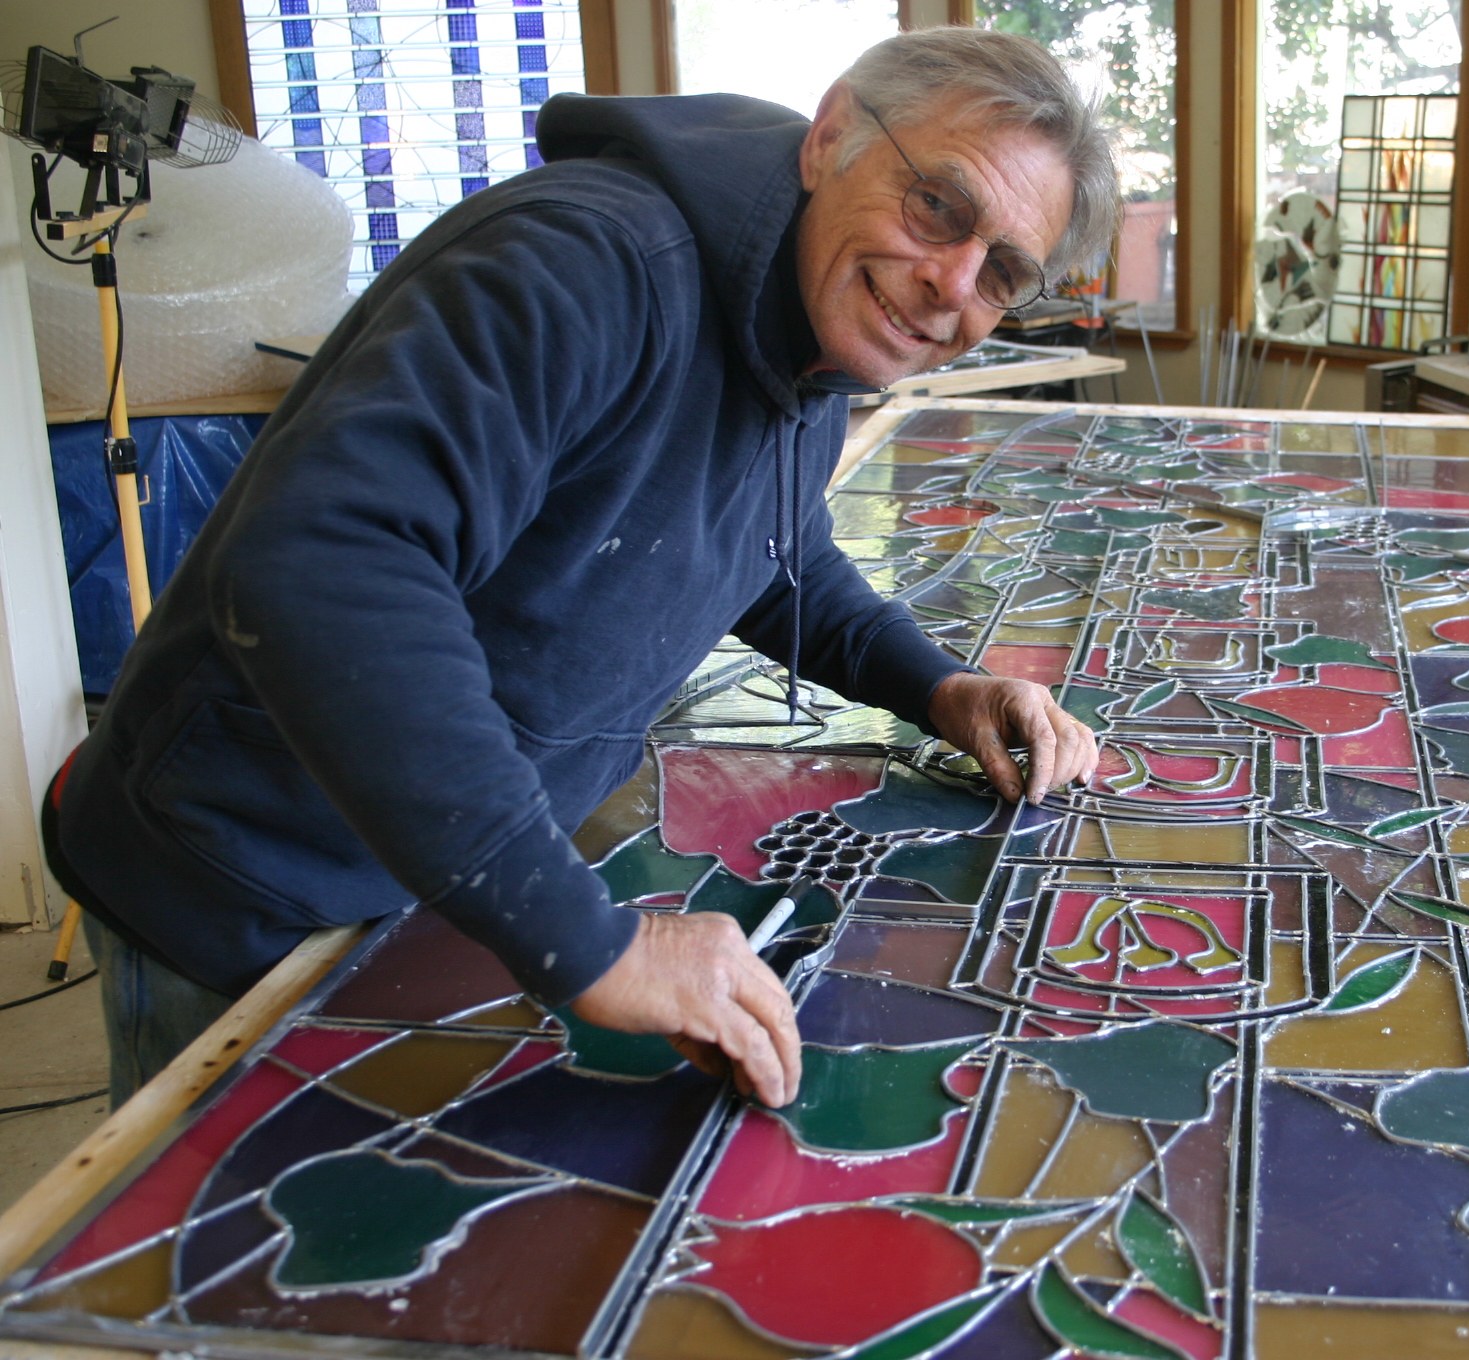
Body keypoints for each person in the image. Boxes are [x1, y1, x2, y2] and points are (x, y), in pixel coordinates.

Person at [42, 28, 1112, 1109]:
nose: (950, 286)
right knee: (223, 1254)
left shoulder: (815, 332)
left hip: (442, 866)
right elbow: (326, 564)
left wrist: (934, 686)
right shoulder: (585, 264)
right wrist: (592, 945)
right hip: (246, 879)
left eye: (1003, 274)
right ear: (831, 135)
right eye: (937, 204)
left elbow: (766, 545)